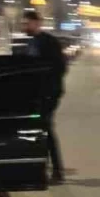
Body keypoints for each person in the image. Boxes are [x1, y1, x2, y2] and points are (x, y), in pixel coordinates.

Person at [22, 10, 66, 184]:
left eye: (27, 23)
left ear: (37, 23)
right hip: (38, 94)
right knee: (41, 129)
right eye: (23, 23)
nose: (24, 26)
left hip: (48, 93)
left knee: (45, 129)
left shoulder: (49, 42)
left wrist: (46, 87)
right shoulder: (32, 42)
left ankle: (57, 170)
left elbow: (60, 68)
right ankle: (43, 167)